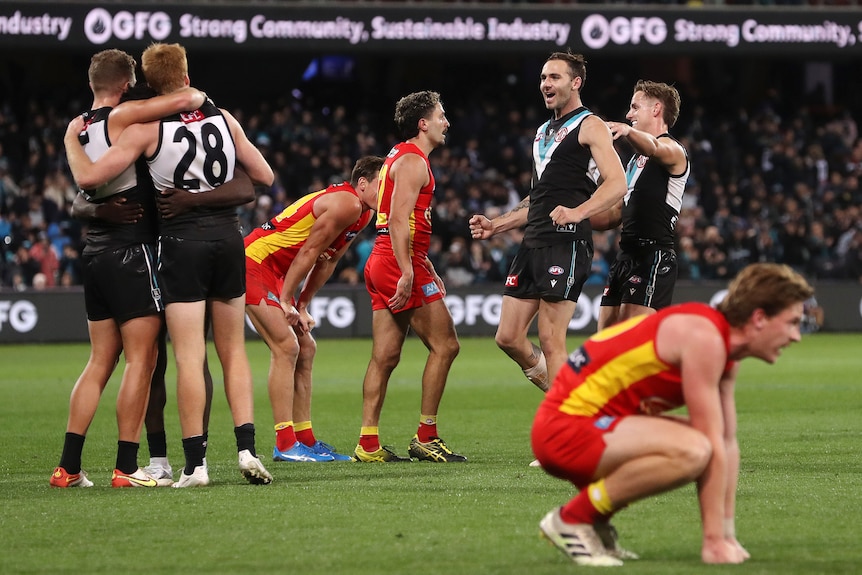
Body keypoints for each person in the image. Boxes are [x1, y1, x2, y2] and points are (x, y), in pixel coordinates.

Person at [63, 43, 274, 488]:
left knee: (186, 357)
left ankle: (192, 465)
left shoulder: (141, 128)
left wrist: (79, 163)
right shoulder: (222, 116)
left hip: (177, 244)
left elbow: (91, 182)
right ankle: (246, 449)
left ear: (145, 84)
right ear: (185, 72)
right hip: (228, 237)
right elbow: (263, 177)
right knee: (233, 352)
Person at [531, 262, 814, 566]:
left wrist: (726, 536)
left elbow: (728, 442)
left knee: (705, 442)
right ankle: (574, 518)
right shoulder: (704, 338)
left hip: (590, 426)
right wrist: (713, 542)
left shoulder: (720, 344)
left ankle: (594, 523)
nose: (796, 336)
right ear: (759, 318)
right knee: (694, 448)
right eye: (792, 322)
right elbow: (711, 444)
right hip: (563, 430)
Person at [50, 49, 207, 488]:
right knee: (143, 358)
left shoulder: (79, 130)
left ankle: (68, 467)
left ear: (91, 82)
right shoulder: (124, 117)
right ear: (125, 84)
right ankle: (126, 467)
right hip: (131, 251)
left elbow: (84, 192)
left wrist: (66, 141)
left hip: (95, 253)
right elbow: (188, 99)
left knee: (100, 360)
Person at [468, 51, 627, 395]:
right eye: (543, 77)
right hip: (534, 241)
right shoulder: (542, 132)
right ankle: (571, 396)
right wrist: (497, 225)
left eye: (554, 77)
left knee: (551, 340)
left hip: (567, 242)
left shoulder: (591, 125)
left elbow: (617, 183)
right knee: (508, 336)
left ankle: (565, 432)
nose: (546, 84)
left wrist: (577, 212)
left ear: (576, 82)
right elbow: (537, 200)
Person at [244, 155, 384, 463]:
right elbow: (309, 251)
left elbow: (329, 259)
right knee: (286, 346)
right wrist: (285, 299)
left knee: (306, 347)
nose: (388, 190)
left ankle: (304, 439)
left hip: (277, 271)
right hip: (255, 262)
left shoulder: (364, 212)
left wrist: (302, 303)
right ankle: (284, 444)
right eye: (382, 183)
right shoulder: (347, 203)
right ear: (362, 184)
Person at [354, 91, 464, 463]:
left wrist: (423, 262)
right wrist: (407, 269)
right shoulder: (415, 161)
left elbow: (398, 220)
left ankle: (367, 443)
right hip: (396, 260)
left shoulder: (395, 156)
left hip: (384, 257)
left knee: (384, 356)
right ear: (423, 123)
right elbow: (399, 220)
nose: (445, 122)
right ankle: (426, 435)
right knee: (446, 345)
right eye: (441, 115)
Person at [597, 80, 690, 330]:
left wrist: (627, 132)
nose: (629, 115)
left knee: (630, 344)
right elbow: (615, 215)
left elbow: (654, 146)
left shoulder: (674, 150)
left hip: (653, 256)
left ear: (656, 109)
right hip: (625, 256)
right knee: (604, 344)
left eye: (635, 107)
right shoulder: (634, 163)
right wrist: (575, 215)